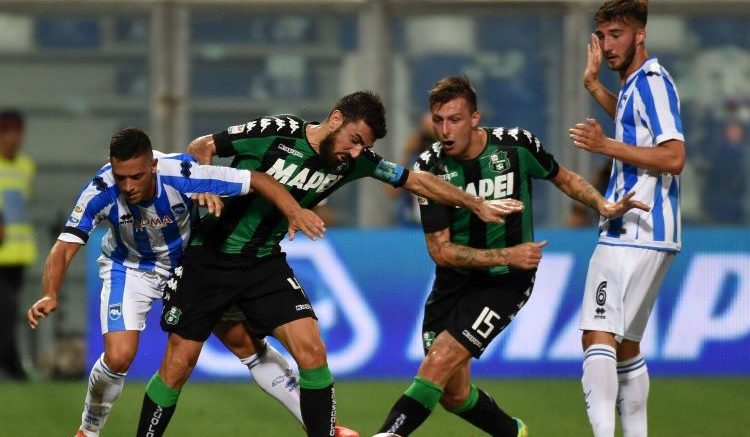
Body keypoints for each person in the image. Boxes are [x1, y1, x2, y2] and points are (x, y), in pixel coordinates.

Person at [133, 91, 522, 437]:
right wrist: (204, 184)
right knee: (179, 365)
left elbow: (415, 181)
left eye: (364, 146)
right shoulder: (277, 131)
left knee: (313, 352)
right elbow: (201, 146)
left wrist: (474, 203)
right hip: (209, 259)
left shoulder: (353, 162)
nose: (356, 152)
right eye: (355, 140)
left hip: (264, 263)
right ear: (336, 119)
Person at [374, 75, 648, 437]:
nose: (445, 130)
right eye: (438, 120)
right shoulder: (429, 169)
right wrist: (510, 253)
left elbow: (563, 177)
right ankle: (512, 431)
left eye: (454, 119)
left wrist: (602, 204)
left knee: (437, 363)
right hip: (454, 280)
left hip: (505, 282)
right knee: (453, 395)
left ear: (475, 118)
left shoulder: (516, 146)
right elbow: (441, 251)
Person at [26, 127, 326, 437]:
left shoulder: (183, 174)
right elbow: (64, 247)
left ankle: (321, 426)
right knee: (118, 357)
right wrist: (49, 293)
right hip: (129, 268)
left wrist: (293, 211)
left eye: (136, 177)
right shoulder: (100, 189)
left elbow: (258, 179)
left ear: (153, 166)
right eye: (121, 177)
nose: (128, 186)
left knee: (244, 343)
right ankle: (89, 428)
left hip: (187, 266)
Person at [569, 1, 686, 436]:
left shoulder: (653, 81)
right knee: (626, 347)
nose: (607, 44)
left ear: (640, 35)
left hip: (633, 226)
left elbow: (674, 157)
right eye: (602, 36)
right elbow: (632, 122)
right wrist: (593, 86)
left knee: (596, 334)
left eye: (616, 34)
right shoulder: (638, 85)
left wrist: (606, 147)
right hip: (655, 232)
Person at [0, 109, 36, 380]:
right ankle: (12, 366)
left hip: (19, 252)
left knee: (9, 313)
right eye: (10, 132)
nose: (16, 138)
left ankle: (12, 366)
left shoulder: (26, 166)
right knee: (7, 310)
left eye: (19, 132)